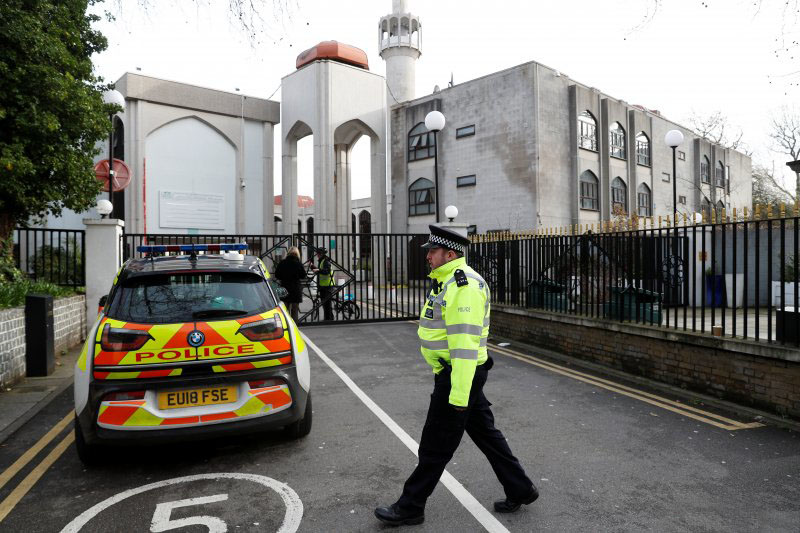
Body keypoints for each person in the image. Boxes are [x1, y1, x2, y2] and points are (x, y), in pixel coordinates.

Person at [375, 224, 538, 526]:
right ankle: (521, 488)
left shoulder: (463, 287)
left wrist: (458, 398)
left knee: (435, 444)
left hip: (459, 377)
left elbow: (464, 346)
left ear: (450, 253)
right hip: (458, 373)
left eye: (433, 251)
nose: (428, 257)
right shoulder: (448, 281)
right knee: (487, 436)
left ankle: (411, 505)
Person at [274, 246, 306, 323]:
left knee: (284, 310)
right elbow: (303, 275)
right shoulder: (298, 263)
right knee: (294, 311)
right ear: (297, 254)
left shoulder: (282, 263)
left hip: (284, 288)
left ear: (288, 253)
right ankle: (294, 327)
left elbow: (277, 275)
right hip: (295, 289)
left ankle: (285, 326)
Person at [312, 248, 334, 320]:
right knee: (325, 303)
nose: (317, 255)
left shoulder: (326, 261)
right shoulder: (322, 261)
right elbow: (321, 270)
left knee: (327, 303)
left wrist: (318, 270)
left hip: (327, 285)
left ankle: (328, 318)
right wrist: (313, 267)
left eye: (318, 254)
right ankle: (329, 317)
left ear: (321, 254)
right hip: (323, 285)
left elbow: (326, 271)